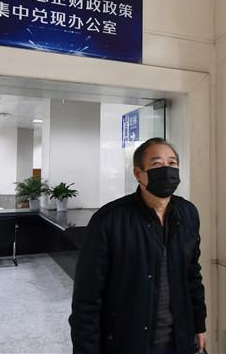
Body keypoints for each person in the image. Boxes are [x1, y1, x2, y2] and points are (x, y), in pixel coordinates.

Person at [69, 138, 207, 354]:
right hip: (128, 343)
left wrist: (199, 325)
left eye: (172, 163)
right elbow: (86, 299)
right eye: (157, 164)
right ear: (138, 173)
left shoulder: (188, 213)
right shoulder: (109, 221)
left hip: (180, 341)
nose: (167, 170)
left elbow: (192, 276)